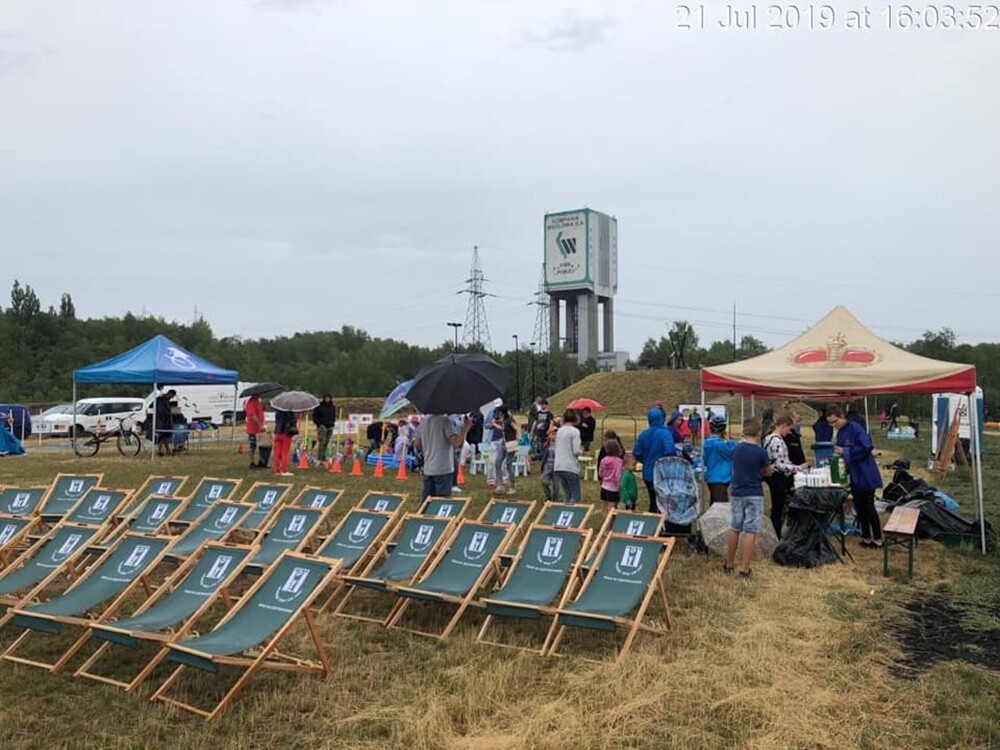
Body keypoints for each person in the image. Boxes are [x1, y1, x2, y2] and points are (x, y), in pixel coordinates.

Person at [828, 405, 884, 549]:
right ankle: (866, 537)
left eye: (835, 421)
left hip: (865, 472)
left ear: (842, 416)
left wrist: (846, 451)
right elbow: (841, 453)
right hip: (854, 474)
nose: (833, 425)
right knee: (859, 507)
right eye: (830, 423)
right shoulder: (840, 433)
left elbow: (867, 447)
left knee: (869, 506)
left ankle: (878, 538)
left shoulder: (855, 428)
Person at [724, 418, 771, 579]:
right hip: (754, 492)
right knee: (750, 529)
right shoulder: (761, 452)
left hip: (737, 491)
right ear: (759, 433)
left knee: (734, 527)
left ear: (744, 430)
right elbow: (767, 471)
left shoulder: (736, 448)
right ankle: (744, 568)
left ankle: (729, 564)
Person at [763, 413, 806, 538]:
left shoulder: (768, 438)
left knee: (777, 508)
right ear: (782, 426)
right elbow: (780, 464)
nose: (789, 432)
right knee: (779, 508)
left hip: (773, 477)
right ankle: (776, 535)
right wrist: (798, 467)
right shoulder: (777, 440)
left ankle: (775, 534)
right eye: (789, 429)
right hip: (779, 478)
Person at [414, 413, 473, 500]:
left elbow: (417, 445)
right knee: (442, 501)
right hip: (443, 468)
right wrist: (465, 429)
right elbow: (456, 443)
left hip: (428, 467)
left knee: (427, 501)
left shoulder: (423, 423)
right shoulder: (446, 422)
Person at [632, 408, 677, 513]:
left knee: (653, 500)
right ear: (662, 419)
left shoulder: (643, 434)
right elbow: (670, 451)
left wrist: (645, 460)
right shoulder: (665, 434)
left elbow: (636, 452)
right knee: (664, 502)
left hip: (648, 473)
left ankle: (653, 516)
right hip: (663, 473)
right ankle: (662, 519)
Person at [702, 414, 735, 504]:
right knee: (720, 506)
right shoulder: (721, 445)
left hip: (711, 477)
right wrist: (730, 441)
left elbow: (705, 460)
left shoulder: (707, 443)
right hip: (721, 479)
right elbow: (731, 453)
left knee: (714, 503)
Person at [553, 409, 582, 503]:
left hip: (558, 466)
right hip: (570, 466)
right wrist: (581, 451)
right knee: (575, 495)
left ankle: (565, 508)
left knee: (567, 493)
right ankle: (571, 510)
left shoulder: (559, 431)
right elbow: (576, 451)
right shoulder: (575, 431)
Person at [490, 406, 518, 495]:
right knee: (497, 462)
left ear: (502, 412)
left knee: (509, 465)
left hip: (510, 444)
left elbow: (516, 428)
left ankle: (512, 487)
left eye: (499, 412)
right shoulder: (504, 420)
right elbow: (503, 425)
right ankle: (500, 486)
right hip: (504, 443)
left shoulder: (510, 420)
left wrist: (518, 438)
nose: (498, 414)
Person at [598, 438, 624, 514]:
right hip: (613, 488)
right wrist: (620, 487)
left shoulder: (603, 460)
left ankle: (605, 520)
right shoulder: (619, 461)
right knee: (612, 509)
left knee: (605, 508)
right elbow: (618, 476)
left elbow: (600, 473)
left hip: (604, 486)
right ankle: (610, 521)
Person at [272, 409, 298, 477]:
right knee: (285, 453)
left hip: (278, 433)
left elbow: (276, 421)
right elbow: (293, 422)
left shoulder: (278, 412)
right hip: (286, 434)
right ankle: (284, 470)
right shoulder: (290, 413)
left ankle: (276, 470)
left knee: (277, 452)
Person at [312, 394, 336, 461]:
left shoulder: (332, 407)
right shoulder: (319, 407)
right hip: (322, 427)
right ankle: (319, 457)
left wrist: (332, 423)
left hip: (330, 427)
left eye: (329, 398)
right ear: (324, 399)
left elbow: (333, 416)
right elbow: (315, 417)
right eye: (326, 398)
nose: (327, 399)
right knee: (322, 442)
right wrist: (319, 424)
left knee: (326, 442)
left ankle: (324, 456)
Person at [245, 393, 266, 469]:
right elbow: (252, 415)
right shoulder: (251, 402)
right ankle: (252, 462)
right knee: (252, 446)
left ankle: (261, 461)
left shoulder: (258, 401)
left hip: (260, 429)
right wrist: (259, 425)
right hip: (253, 429)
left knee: (262, 445)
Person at [154, 389, 176, 456]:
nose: (172, 397)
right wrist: (168, 414)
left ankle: (167, 450)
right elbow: (161, 411)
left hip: (165, 421)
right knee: (162, 436)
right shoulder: (161, 399)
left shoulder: (165, 400)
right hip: (162, 421)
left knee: (164, 436)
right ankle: (160, 451)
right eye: (172, 396)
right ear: (170, 393)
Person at [539, 432, 559, 502]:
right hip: (547, 465)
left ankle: (555, 499)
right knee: (544, 481)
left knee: (556, 484)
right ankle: (548, 496)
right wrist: (533, 458)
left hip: (557, 466)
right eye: (552, 434)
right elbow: (542, 455)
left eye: (555, 434)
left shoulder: (561, 445)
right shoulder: (546, 445)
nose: (554, 436)